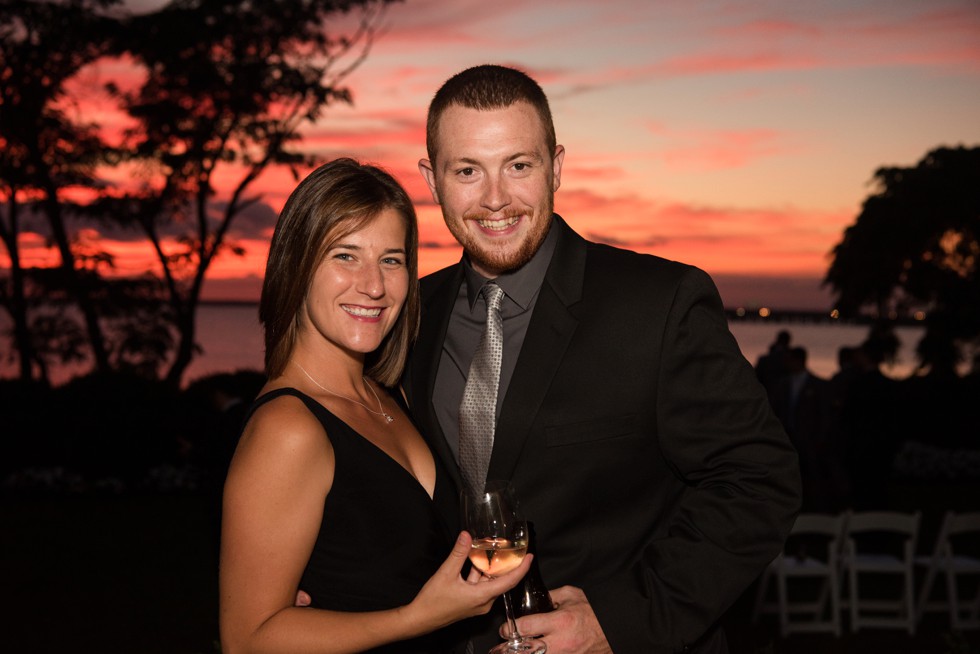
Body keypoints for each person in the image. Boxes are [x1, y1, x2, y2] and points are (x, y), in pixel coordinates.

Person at [402, 65, 801, 654]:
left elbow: (760, 480)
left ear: (556, 166)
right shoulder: (407, 315)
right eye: (467, 170)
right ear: (432, 179)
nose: (495, 199)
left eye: (519, 165)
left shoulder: (658, 304)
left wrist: (617, 621)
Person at [219, 158, 531, 654]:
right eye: (345, 256)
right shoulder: (289, 429)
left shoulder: (391, 397)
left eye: (391, 259)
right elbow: (247, 639)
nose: (374, 286)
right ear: (297, 264)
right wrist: (417, 618)